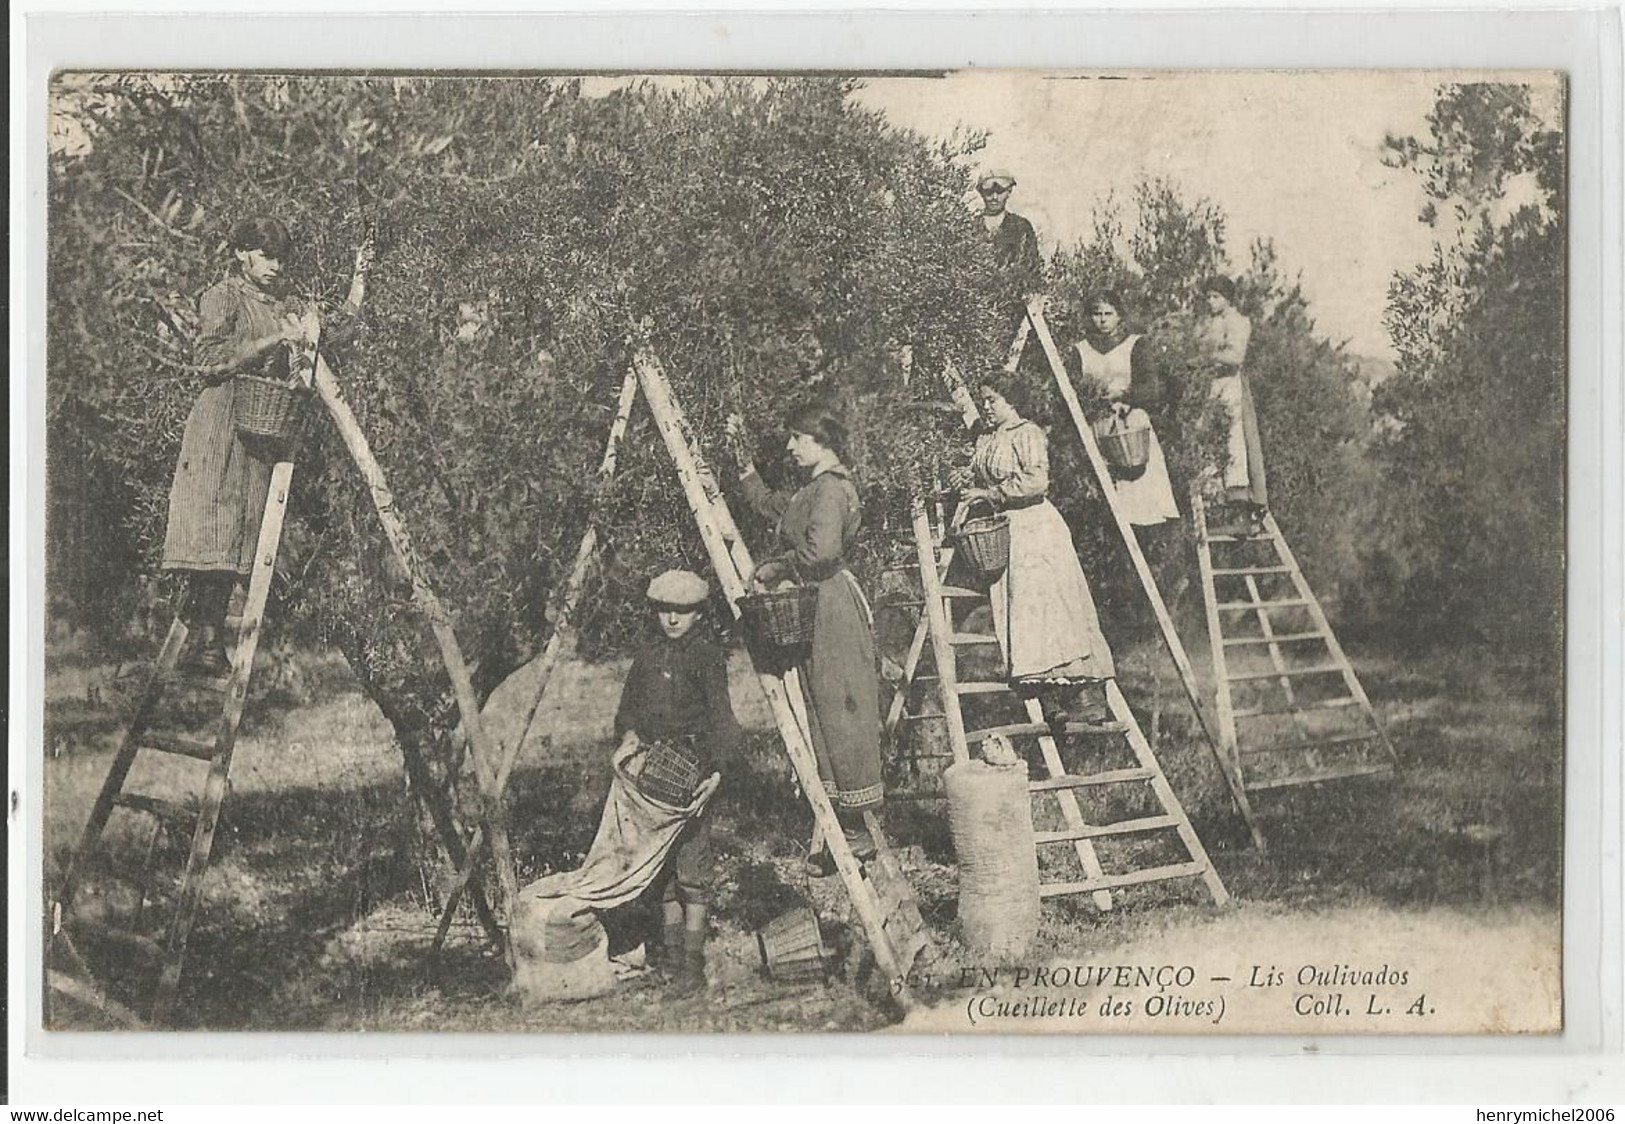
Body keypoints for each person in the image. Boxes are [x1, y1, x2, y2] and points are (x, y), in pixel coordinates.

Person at [161, 218, 370, 674]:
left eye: (280, 257)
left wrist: (358, 284)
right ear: (241, 253)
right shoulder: (222, 297)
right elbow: (209, 362)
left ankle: (205, 642)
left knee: (239, 529)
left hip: (258, 429)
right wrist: (275, 338)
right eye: (265, 254)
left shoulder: (285, 302)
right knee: (214, 524)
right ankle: (206, 642)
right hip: (219, 425)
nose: (275, 265)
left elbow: (328, 336)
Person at [725, 404, 884, 869]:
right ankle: (843, 825)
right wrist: (742, 467)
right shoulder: (813, 490)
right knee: (821, 705)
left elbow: (821, 551)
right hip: (817, 603)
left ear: (823, 441)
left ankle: (856, 828)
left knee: (840, 707)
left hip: (831, 604)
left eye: (799, 438)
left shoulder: (832, 490)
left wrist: (779, 565)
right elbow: (776, 507)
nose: (791, 447)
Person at [612, 569, 741, 997]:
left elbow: (723, 718)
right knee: (661, 870)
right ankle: (670, 960)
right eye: (665, 610)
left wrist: (717, 772)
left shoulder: (706, 657)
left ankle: (692, 963)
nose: (672, 619)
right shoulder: (648, 657)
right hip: (653, 776)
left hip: (692, 773)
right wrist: (629, 735)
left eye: (682, 612)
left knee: (692, 869)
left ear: (699, 615)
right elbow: (628, 709)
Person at [961, 378, 1118, 728]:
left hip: (1036, 528)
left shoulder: (1026, 433)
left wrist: (992, 494)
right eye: (983, 400)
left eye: (993, 400)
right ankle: (1049, 699)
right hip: (1007, 531)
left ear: (1011, 400)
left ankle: (1086, 695)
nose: (986, 406)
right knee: (1025, 615)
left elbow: (1036, 481)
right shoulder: (986, 437)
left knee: (1057, 610)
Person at [1071, 290, 1182, 527]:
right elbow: (1072, 391)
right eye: (1096, 314)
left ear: (1119, 316)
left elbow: (1152, 390)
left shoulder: (1135, 345)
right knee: (1104, 503)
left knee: (1139, 499)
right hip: (1097, 426)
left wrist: (1124, 395)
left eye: (1108, 314)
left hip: (1130, 424)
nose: (1101, 320)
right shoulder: (1080, 350)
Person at [1198, 275, 1268, 533]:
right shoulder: (1208, 322)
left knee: (1232, 440)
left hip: (1229, 385)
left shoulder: (1238, 322)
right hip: (1210, 385)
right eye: (1208, 296)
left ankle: (1239, 506)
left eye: (1215, 296)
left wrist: (1206, 357)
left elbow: (1235, 356)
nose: (1210, 301)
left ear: (1227, 299)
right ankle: (1213, 502)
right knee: (1207, 439)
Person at [977, 170, 1044, 294]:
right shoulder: (971, 226)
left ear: (1009, 192)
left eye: (1000, 191)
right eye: (989, 192)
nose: (994, 197)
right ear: (981, 193)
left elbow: (1032, 269)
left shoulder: (1021, 226)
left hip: (1012, 301)